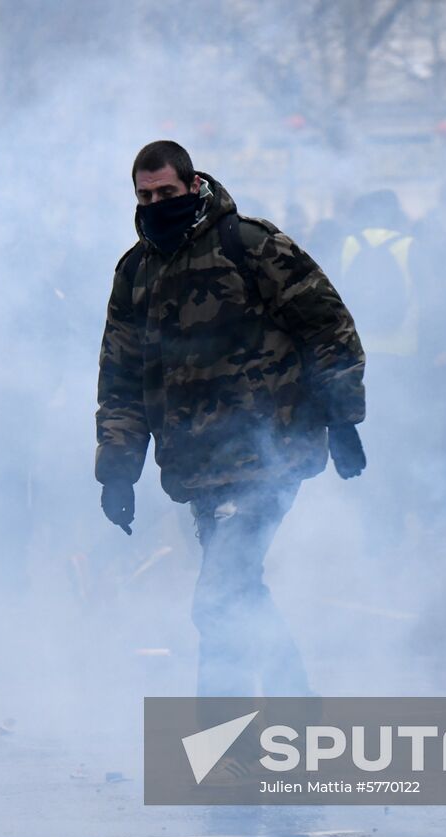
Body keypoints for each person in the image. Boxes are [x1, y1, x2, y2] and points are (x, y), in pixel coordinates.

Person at [95, 140, 366, 696]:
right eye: (144, 195)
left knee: (218, 599)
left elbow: (328, 325)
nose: (155, 202)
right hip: (197, 466)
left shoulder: (251, 244)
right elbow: (120, 377)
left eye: (166, 192)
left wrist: (342, 419)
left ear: (193, 186)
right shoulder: (135, 272)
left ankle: (227, 752)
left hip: (269, 453)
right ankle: (297, 713)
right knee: (238, 593)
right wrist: (118, 467)